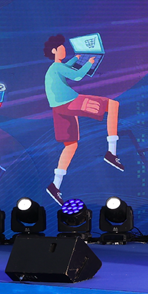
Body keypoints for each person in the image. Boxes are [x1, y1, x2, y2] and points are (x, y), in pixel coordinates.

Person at [43, 34, 123, 205]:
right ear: (54, 51)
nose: (64, 49)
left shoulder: (54, 68)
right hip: (69, 103)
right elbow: (78, 76)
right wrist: (89, 62)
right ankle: (112, 152)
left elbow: (67, 67)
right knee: (112, 105)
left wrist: (76, 59)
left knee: (71, 145)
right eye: (61, 47)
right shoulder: (57, 67)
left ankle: (55, 185)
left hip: (58, 109)